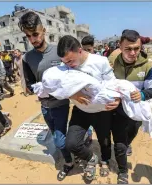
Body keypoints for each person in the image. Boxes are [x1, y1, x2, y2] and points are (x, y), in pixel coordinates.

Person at [18, 11, 73, 181]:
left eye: (35, 34)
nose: (33, 39)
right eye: (28, 36)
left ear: (44, 31)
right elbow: (30, 85)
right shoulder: (27, 58)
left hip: (61, 104)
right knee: (57, 132)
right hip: (45, 107)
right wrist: (34, 89)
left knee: (59, 140)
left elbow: (73, 76)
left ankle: (69, 163)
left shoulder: (59, 51)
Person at [58, 35, 120, 181]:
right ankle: (91, 158)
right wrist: (73, 95)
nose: (68, 65)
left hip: (101, 111)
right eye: (65, 62)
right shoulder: (64, 66)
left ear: (80, 51)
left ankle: (104, 160)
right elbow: (58, 87)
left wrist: (117, 99)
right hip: (80, 111)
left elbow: (112, 84)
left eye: (71, 61)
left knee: (104, 141)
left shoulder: (100, 61)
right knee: (71, 143)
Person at [112, 30, 152, 183]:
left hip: (136, 113)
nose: (133, 53)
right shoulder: (112, 62)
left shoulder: (147, 66)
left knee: (129, 136)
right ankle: (123, 171)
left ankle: (127, 144)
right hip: (117, 112)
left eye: (136, 48)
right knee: (119, 146)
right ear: (120, 46)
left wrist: (143, 95)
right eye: (128, 49)